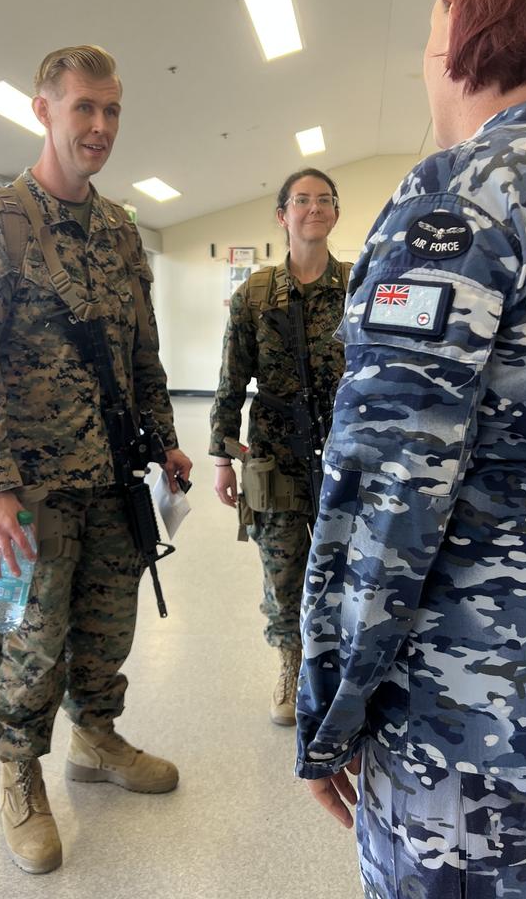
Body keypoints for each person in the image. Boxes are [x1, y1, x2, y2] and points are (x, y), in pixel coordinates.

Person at [295, 0, 526, 897]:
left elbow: (386, 493)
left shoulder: (459, 204)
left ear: (465, 28)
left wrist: (327, 705)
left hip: (469, 740)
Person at [0, 45, 192, 875]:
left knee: (106, 626)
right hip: (33, 488)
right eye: (84, 108)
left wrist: (166, 437)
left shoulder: (119, 231)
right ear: (42, 110)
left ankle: (95, 737)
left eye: (112, 110)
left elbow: (141, 351)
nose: (101, 126)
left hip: (115, 478)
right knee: (29, 637)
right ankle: (20, 775)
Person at [210, 169, 350, 724]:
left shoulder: (360, 283)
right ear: (282, 215)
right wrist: (223, 457)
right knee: (283, 570)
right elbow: (230, 380)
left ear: (335, 213)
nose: (314, 209)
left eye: (325, 200)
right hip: (274, 455)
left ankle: (339, 670)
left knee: (345, 568)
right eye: (302, 200)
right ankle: (290, 665)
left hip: (345, 457)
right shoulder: (256, 293)